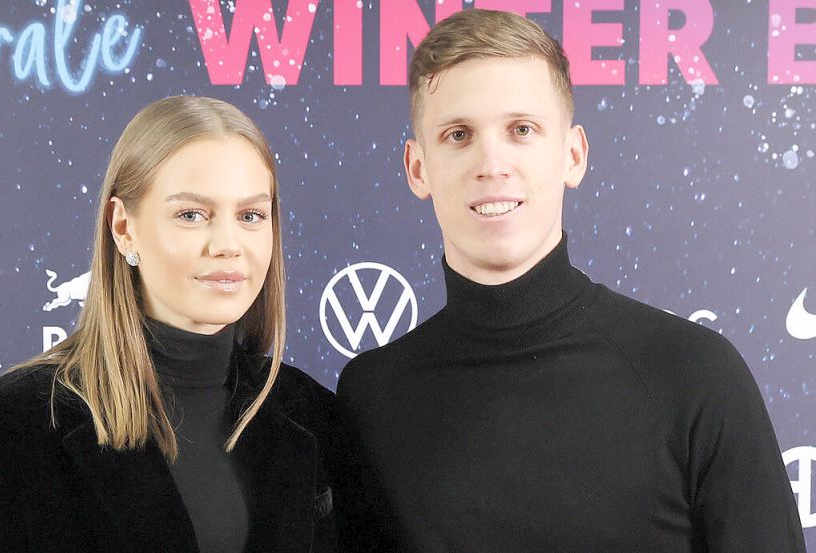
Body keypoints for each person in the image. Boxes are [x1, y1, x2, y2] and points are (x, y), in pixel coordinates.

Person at [334, 9, 805, 553]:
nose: (492, 163)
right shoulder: (373, 397)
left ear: (573, 154)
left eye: (521, 130)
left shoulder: (694, 374)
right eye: (458, 134)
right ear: (418, 168)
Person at [0, 96, 336, 553]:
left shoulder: (317, 414)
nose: (228, 244)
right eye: (192, 214)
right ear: (123, 227)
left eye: (251, 215)